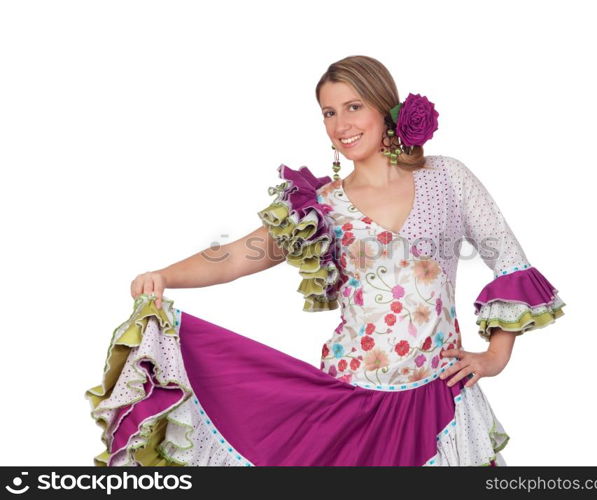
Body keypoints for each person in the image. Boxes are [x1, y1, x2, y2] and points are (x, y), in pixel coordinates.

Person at [85, 55, 566, 467]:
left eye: (354, 107)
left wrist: (496, 355)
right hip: (350, 396)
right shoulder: (322, 205)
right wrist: (165, 275)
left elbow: (508, 259)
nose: (341, 125)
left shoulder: (448, 178)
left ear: (385, 107)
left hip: (438, 393)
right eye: (329, 113)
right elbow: (238, 255)